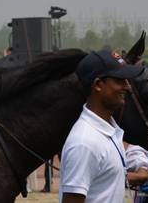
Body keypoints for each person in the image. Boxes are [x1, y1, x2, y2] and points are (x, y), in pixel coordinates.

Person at [59, 50, 143, 203]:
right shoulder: (84, 142)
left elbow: (104, 180)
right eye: (120, 80)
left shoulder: (107, 130)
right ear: (98, 85)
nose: (127, 87)